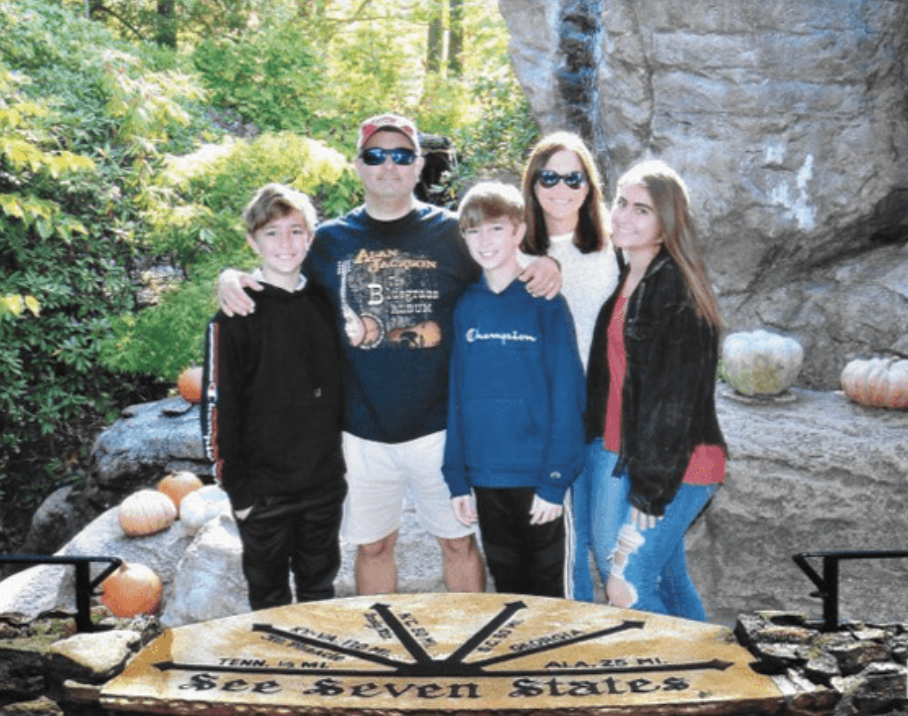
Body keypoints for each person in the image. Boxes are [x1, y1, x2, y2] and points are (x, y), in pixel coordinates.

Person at [216, 113, 563, 596]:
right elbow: (280, 268)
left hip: (440, 429)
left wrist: (545, 264)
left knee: (458, 543)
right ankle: (386, 647)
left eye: (402, 155)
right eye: (375, 155)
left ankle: (469, 643)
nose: (389, 165)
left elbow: (502, 262)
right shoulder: (329, 241)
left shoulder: (450, 233)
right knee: (374, 547)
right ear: (358, 165)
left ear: (419, 165)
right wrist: (231, 277)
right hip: (361, 433)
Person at [583, 159, 726, 620]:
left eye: (641, 210)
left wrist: (650, 492)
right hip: (629, 453)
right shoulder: (629, 276)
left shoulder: (676, 291)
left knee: (626, 583)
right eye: (621, 203)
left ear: (666, 225)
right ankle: (710, 670)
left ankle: (683, 678)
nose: (623, 215)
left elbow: (675, 402)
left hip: (678, 465)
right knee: (664, 577)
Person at [200, 183, 346, 611]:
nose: (286, 243)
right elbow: (217, 409)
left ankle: (319, 675)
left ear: (310, 237)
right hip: (263, 492)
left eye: (296, 231)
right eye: (272, 233)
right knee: (269, 599)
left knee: (320, 593)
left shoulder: (324, 300)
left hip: (322, 484)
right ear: (252, 241)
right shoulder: (235, 315)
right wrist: (238, 491)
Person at [442, 182, 586, 598]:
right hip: (486, 479)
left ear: (519, 232)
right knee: (509, 593)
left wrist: (555, 480)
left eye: (495, 229)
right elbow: (456, 396)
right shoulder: (466, 305)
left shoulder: (545, 301)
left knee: (550, 598)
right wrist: (457, 479)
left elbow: (567, 392)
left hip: (538, 478)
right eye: (473, 231)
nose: (484, 241)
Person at [520, 131, 620, 602]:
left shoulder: (614, 248)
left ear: (589, 185)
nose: (561, 188)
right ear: (533, 184)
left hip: (602, 416)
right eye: (549, 177)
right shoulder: (514, 249)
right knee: (563, 546)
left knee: (605, 542)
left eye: (573, 177)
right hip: (542, 418)